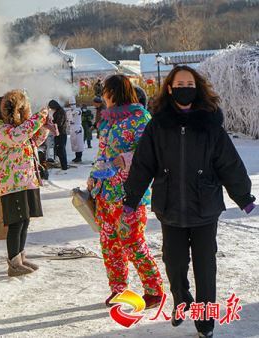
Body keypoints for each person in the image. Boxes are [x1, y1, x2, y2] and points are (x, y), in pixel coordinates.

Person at [124, 65, 256, 338]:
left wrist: (243, 196)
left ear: (197, 88)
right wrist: (131, 198)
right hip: (170, 206)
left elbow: (228, 163)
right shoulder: (158, 124)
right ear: (170, 88)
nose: (185, 88)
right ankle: (182, 298)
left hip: (205, 206)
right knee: (174, 262)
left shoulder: (210, 124)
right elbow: (143, 164)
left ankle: (205, 323)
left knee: (205, 265)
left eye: (190, 83)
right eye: (179, 83)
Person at [87, 75, 164, 309]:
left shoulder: (141, 117)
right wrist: (93, 175)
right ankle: (119, 289)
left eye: (106, 91)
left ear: (117, 92)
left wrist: (125, 158)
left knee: (131, 240)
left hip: (130, 192)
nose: (104, 96)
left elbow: (151, 151)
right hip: (105, 192)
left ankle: (154, 290)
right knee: (109, 243)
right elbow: (101, 154)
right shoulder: (108, 119)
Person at [0, 90, 49, 276]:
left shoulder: (15, 129)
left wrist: (45, 127)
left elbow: (33, 142)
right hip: (12, 184)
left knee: (24, 221)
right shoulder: (1, 130)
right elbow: (19, 136)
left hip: (25, 181)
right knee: (16, 224)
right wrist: (39, 118)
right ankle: (13, 263)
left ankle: (20, 257)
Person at [49, 100, 69, 170]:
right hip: (58, 133)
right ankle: (62, 165)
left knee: (61, 150)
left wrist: (51, 123)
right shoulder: (58, 111)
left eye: (51, 107)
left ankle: (64, 166)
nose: (51, 109)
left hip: (61, 133)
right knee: (58, 150)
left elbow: (59, 123)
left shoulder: (61, 112)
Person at [66, 96, 85, 163]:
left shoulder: (78, 110)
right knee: (74, 143)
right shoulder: (68, 112)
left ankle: (79, 157)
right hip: (72, 128)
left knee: (79, 143)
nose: (72, 106)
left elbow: (78, 112)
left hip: (77, 127)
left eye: (73, 104)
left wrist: (75, 112)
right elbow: (68, 120)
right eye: (71, 104)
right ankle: (76, 156)